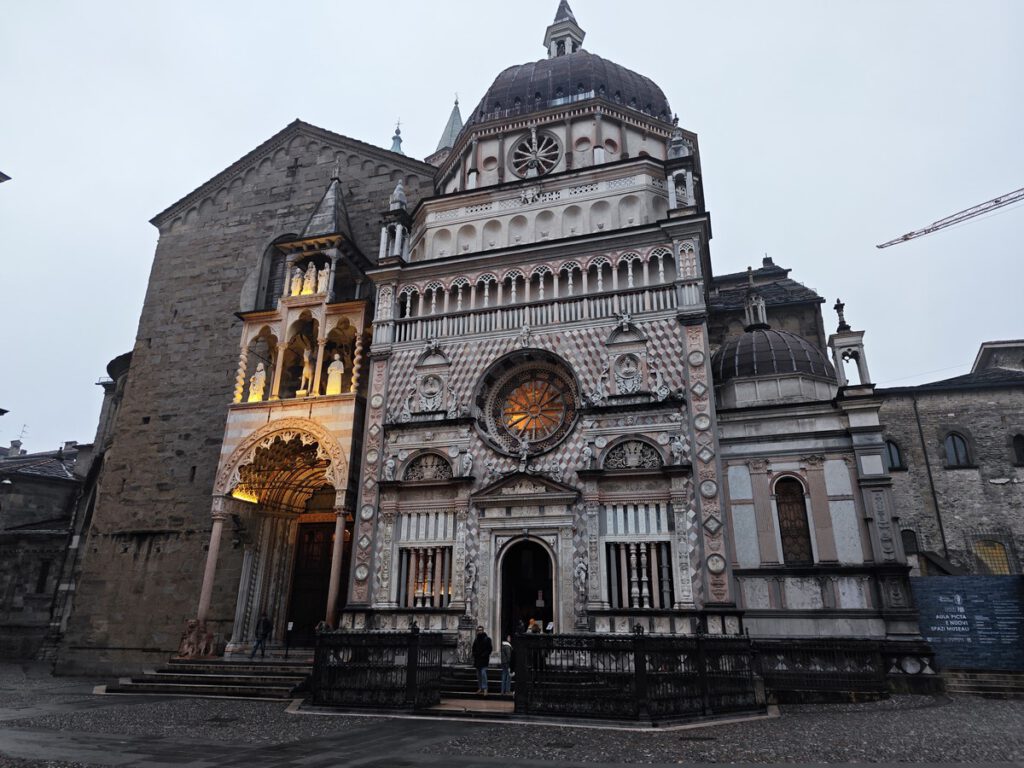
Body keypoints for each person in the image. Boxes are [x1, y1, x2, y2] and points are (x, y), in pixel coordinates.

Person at [472, 625, 493, 695]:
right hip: (477, 660)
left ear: (483, 631)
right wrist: (475, 654)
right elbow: (473, 648)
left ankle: (485, 688)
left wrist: (484, 655)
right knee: (478, 675)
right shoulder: (476, 640)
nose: (479, 631)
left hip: (484, 660)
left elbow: (489, 649)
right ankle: (480, 688)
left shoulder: (487, 639)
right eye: (478, 630)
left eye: (481, 630)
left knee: (483, 673)